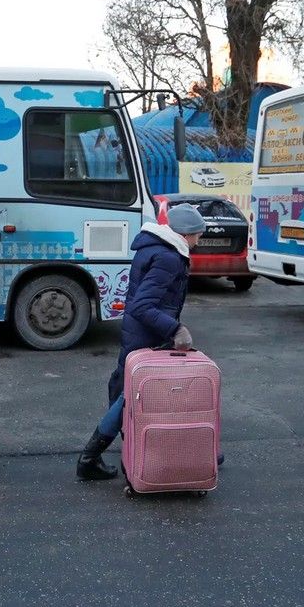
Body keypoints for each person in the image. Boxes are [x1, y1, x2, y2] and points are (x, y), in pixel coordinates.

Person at [76, 203, 207, 480]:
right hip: (148, 338)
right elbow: (142, 306)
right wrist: (176, 329)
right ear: (184, 234)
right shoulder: (169, 258)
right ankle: (90, 457)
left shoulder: (154, 247)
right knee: (129, 399)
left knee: (131, 395)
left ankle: (197, 449)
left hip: (140, 334)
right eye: (197, 234)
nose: (199, 239)